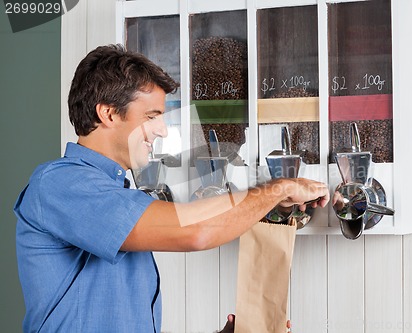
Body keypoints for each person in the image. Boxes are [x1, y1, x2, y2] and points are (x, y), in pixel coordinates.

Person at [14, 44, 330, 333]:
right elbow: (194, 231)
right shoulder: (60, 184)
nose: (162, 130)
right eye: (151, 116)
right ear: (108, 113)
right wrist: (276, 189)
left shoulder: (119, 193)